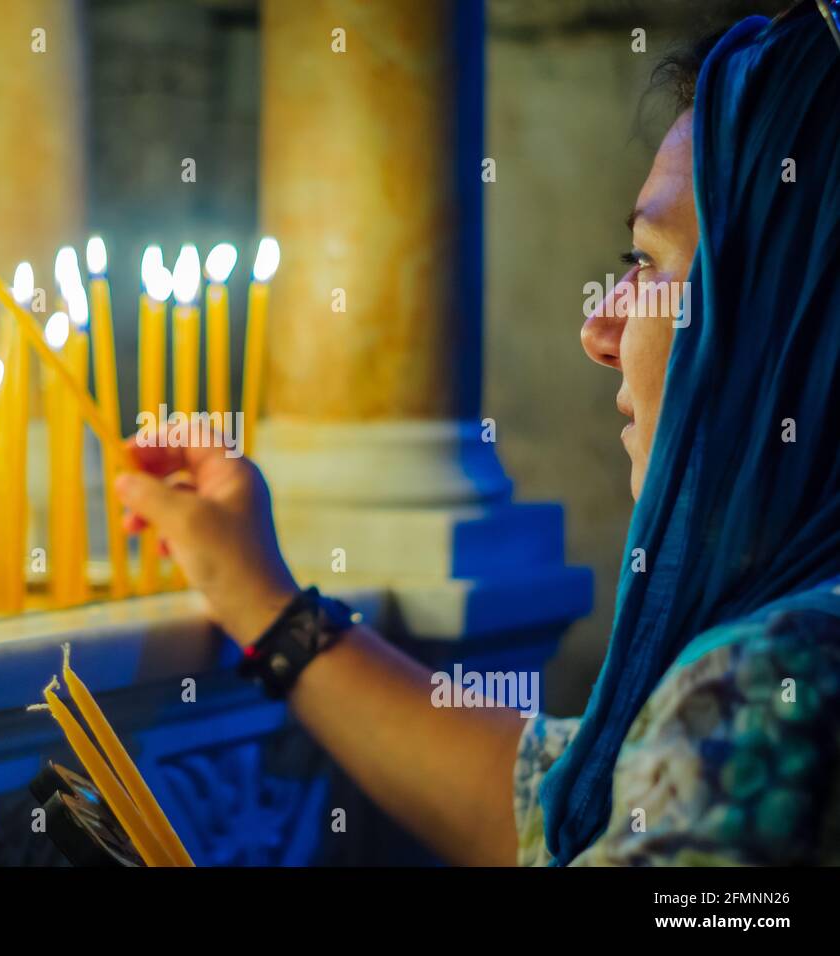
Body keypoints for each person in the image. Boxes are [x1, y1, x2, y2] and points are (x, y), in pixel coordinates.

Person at [113, 3, 840, 866]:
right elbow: (560, 807)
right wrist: (264, 603)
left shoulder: (773, 688)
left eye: (648, 264)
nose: (598, 332)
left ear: (789, 321)